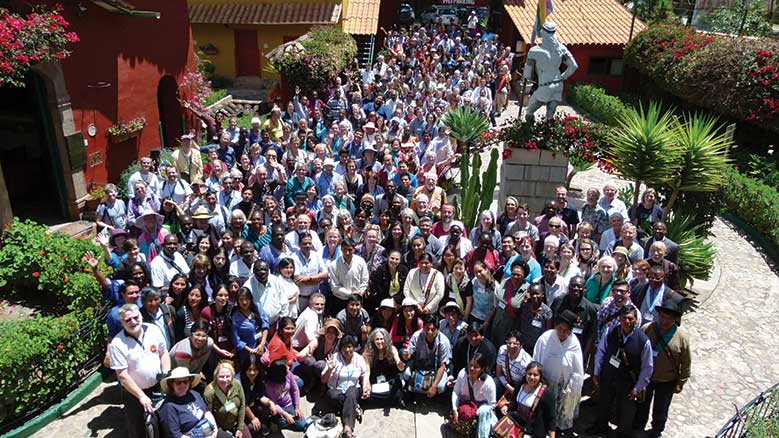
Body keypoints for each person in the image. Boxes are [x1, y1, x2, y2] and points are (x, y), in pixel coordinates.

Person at [588, 306, 654, 438]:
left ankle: (622, 434)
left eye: (630, 318)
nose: (626, 321)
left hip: (628, 382)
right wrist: (596, 373)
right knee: (604, 403)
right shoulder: (610, 332)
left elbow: (648, 367)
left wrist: (638, 388)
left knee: (626, 411)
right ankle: (601, 427)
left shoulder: (643, 341)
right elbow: (601, 352)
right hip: (608, 376)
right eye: (624, 318)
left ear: (636, 320)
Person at [108, 303, 170, 438]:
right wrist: (141, 396)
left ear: (141, 316)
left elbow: (163, 353)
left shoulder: (154, 330)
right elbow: (122, 375)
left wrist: (165, 377)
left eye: (136, 317)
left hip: (158, 387)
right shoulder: (117, 344)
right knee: (139, 429)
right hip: (134, 395)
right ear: (121, 322)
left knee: (162, 424)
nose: (133, 322)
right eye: (128, 320)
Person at [635, 299, 691, 438]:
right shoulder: (647, 328)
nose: (665, 321)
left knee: (661, 408)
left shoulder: (681, 337)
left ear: (675, 319)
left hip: (667, 379)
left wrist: (681, 382)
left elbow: (686, 361)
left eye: (669, 318)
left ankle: (656, 430)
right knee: (642, 404)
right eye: (663, 317)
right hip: (646, 378)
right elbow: (637, 350)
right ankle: (638, 427)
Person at [532, 310, 585, 435]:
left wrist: (573, 389)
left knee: (561, 414)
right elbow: (536, 360)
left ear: (571, 331)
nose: (562, 332)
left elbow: (577, 370)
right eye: (560, 328)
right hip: (546, 383)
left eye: (566, 330)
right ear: (556, 326)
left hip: (564, 386)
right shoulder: (545, 338)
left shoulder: (574, 344)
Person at [321, 335, 370, 438]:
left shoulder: (359, 358)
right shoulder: (334, 358)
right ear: (340, 348)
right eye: (344, 347)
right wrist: (329, 369)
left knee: (351, 393)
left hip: (353, 389)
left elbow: (364, 374)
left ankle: (347, 429)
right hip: (336, 391)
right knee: (332, 396)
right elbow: (323, 380)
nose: (347, 350)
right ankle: (353, 407)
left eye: (350, 347)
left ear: (354, 347)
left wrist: (366, 386)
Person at [159, 366, 226, 438]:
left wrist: (215, 430)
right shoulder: (169, 407)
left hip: (208, 429)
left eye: (185, 382)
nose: (182, 385)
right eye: (178, 383)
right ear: (172, 384)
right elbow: (175, 435)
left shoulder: (194, 394)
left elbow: (206, 412)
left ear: (189, 382)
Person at [497, 361, 556, 438]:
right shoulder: (520, 386)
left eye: (535, 375)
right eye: (529, 374)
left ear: (540, 377)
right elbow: (514, 402)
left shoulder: (547, 394)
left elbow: (551, 418)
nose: (532, 377)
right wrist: (507, 406)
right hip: (516, 427)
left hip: (533, 433)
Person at [402, 314, 452, 399]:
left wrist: (434, 386)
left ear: (438, 329)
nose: (429, 332)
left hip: (436, 368)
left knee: (440, 387)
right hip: (419, 365)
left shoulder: (444, 342)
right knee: (406, 374)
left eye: (433, 329)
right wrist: (406, 355)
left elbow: (442, 366)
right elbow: (409, 355)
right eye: (427, 329)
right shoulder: (416, 336)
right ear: (423, 327)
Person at [170, 321, 232, 386]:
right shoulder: (184, 352)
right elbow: (183, 375)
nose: (200, 339)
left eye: (204, 336)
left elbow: (211, 343)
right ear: (190, 335)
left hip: (194, 373)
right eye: (197, 335)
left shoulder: (208, 342)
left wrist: (219, 351)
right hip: (177, 379)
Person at [450, 353, 498, 438]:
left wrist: (476, 412)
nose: (471, 369)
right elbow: (456, 392)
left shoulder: (488, 382)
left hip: (481, 411)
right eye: (470, 365)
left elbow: (492, 405)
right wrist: (455, 409)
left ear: (482, 369)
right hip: (465, 406)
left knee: (487, 418)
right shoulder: (463, 374)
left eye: (475, 367)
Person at [204, 361, 250, 437]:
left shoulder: (237, 385)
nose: (225, 380)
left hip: (236, 422)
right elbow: (209, 416)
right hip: (219, 427)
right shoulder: (209, 392)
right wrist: (221, 432)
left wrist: (239, 428)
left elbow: (242, 406)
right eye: (221, 376)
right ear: (216, 376)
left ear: (232, 376)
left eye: (228, 376)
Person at [490, 261, 529, 348]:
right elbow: (498, 302)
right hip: (498, 322)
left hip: (511, 326)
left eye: (518, 275)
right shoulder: (505, 282)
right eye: (513, 274)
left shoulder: (527, 289)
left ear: (524, 276)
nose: (515, 277)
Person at [363, 327, 406, 406]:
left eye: (382, 339)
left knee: (397, 394)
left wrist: (400, 365)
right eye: (377, 339)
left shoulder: (392, 349)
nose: (380, 342)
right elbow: (367, 371)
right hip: (375, 381)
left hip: (389, 381)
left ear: (386, 339)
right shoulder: (368, 352)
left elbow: (398, 363)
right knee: (368, 396)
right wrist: (366, 384)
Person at [328, 238, 370, 316]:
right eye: (344, 250)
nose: (347, 253)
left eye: (350, 250)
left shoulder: (360, 262)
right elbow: (335, 286)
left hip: (357, 301)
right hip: (340, 300)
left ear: (354, 249)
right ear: (341, 249)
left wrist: (359, 293)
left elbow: (365, 280)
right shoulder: (334, 265)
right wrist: (350, 294)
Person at [265, 359, 309, 431]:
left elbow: (295, 390)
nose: (288, 368)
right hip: (278, 407)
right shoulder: (269, 385)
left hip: (289, 404)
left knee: (302, 424)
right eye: (286, 367)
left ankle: (280, 422)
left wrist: (297, 407)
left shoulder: (289, 375)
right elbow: (274, 403)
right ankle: (275, 421)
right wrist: (285, 414)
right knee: (286, 421)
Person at [231, 287, 270, 364]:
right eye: (241, 299)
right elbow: (236, 339)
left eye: (247, 299)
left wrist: (262, 344)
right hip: (246, 352)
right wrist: (250, 350)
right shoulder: (235, 316)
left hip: (261, 347)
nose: (244, 302)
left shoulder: (257, 307)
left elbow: (265, 325)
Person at [495, 330, 533, 399]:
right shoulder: (502, 350)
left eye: (515, 344)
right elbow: (499, 373)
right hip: (504, 381)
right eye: (509, 343)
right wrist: (510, 388)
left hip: (519, 386)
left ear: (521, 345)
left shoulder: (526, 362)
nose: (511, 346)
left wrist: (515, 391)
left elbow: (526, 383)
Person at [518, 284, 553, 354]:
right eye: (532, 294)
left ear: (542, 294)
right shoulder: (525, 306)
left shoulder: (547, 311)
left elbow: (548, 332)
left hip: (538, 348)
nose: (534, 296)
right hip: (524, 345)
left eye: (537, 294)